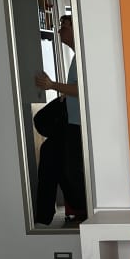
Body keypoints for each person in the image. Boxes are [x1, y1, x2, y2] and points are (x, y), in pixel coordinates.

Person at [34, 14, 87, 223]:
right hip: (71, 123)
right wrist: (64, 92)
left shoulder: (83, 55)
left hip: (78, 125)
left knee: (69, 170)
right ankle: (44, 216)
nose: (59, 31)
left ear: (76, 29)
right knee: (50, 152)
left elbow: (82, 88)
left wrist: (53, 85)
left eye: (64, 26)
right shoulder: (76, 57)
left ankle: (82, 207)